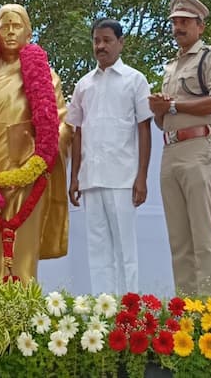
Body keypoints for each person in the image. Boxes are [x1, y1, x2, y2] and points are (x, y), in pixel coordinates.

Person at [0, 4, 72, 282]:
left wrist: (36, 158)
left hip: (26, 180)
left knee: (23, 256)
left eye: (16, 26)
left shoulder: (45, 76)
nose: (9, 32)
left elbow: (61, 126)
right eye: (3, 25)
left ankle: (23, 319)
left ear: (28, 33)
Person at [148, 0, 211, 296]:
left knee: (202, 237)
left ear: (200, 26)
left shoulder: (210, 56)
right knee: (179, 239)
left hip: (199, 149)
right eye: (175, 22)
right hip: (170, 150)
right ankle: (187, 310)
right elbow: (165, 119)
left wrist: (171, 107)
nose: (179, 27)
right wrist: (160, 110)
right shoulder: (170, 67)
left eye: (185, 21)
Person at [67, 18, 152, 295]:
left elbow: (144, 129)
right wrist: (74, 177)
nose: (100, 46)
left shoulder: (135, 81)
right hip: (91, 178)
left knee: (126, 250)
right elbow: (77, 132)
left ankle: (130, 311)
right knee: (98, 250)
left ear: (120, 43)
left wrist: (142, 177)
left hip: (123, 178)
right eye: (96, 41)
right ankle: (102, 311)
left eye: (106, 40)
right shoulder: (84, 84)